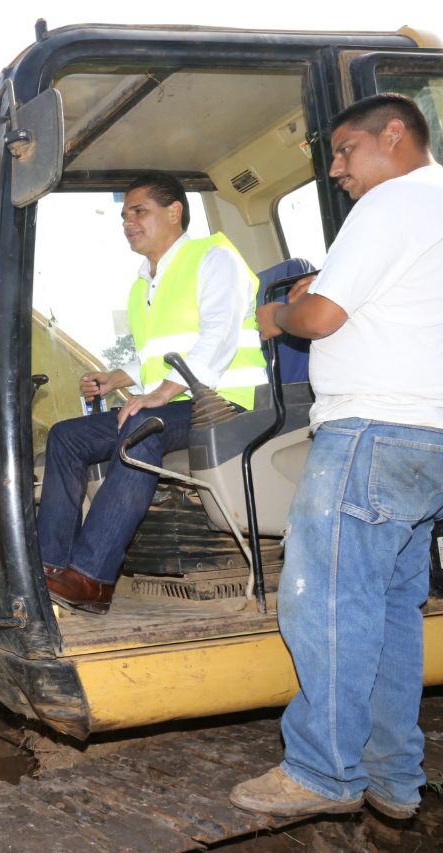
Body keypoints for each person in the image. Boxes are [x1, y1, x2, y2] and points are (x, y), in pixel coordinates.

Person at [231, 93, 443, 821]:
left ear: (395, 134)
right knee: (389, 613)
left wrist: (279, 312)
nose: (337, 168)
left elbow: (320, 317)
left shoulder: (389, 206)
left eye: (347, 149)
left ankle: (322, 769)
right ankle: (393, 775)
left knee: (324, 600)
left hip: (369, 434)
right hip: (429, 440)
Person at [40, 170, 267, 615]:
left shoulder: (214, 256)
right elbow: (155, 356)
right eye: (124, 215)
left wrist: (161, 393)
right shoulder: (142, 283)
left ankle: (93, 576)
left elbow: (219, 335)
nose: (128, 222)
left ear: (174, 211)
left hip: (226, 401)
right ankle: (50, 565)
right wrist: (116, 379)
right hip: (179, 399)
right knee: (66, 436)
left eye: (138, 211)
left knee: (144, 425)